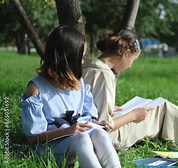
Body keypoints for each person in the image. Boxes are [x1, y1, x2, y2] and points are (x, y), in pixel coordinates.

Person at [82, 29, 178, 150]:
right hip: (106, 139)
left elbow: (90, 108)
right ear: (125, 53)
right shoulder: (104, 74)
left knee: (156, 108)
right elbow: (102, 126)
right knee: (161, 108)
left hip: (90, 133)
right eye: (133, 60)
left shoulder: (89, 66)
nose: (131, 66)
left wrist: (110, 108)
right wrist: (133, 115)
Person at [20, 25, 121, 168]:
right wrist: (68, 131)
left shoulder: (77, 82)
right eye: (81, 56)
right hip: (52, 147)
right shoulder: (36, 89)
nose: (82, 62)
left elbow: (88, 115)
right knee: (82, 139)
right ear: (67, 58)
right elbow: (32, 138)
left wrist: (98, 123)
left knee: (100, 134)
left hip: (78, 139)